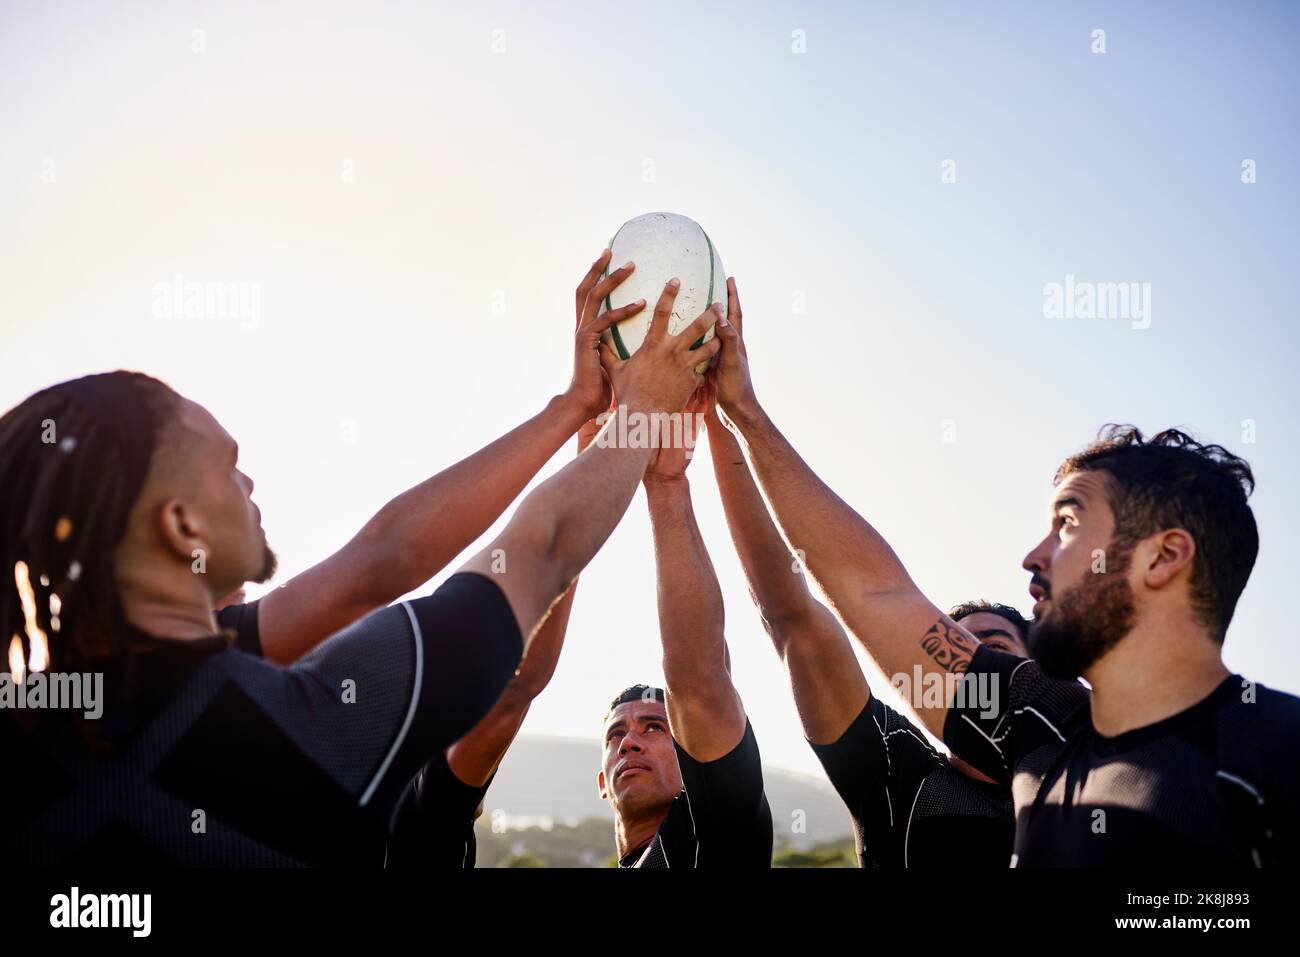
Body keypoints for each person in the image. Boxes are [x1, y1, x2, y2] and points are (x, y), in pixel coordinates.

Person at [1, 262, 721, 865]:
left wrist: (572, 407)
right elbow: (542, 548)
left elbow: (381, 556)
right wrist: (639, 412)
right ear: (179, 525)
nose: (248, 484)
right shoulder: (317, 719)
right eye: (228, 466)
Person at [705, 277, 1300, 866]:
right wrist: (743, 413)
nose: (1033, 557)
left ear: (1163, 557)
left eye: (1067, 523)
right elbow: (875, 590)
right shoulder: (1032, 720)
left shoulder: (1278, 748)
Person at [707, 398, 1025, 865]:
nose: (971, 664)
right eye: (950, 652)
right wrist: (725, 417)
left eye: (993, 649)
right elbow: (792, 618)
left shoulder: (1099, 776)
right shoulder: (898, 771)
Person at [596, 387, 773, 868]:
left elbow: (700, 676)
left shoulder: (712, 832)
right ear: (601, 782)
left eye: (655, 727)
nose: (629, 741)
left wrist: (666, 484)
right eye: (617, 735)